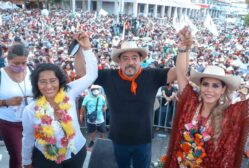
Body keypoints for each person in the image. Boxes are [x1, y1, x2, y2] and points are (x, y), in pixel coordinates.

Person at [163, 27, 249, 168]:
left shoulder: (230, 113)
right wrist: (183, 48)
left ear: (223, 89)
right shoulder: (190, 103)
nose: (209, 90)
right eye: (206, 84)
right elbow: (180, 73)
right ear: (201, 86)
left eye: (216, 86)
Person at [76, 40, 178, 168]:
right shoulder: (108, 76)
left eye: (134, 58)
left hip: (144, 141)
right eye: (125, 58)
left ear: (141, 59)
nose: (130, 62)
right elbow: (82, 73)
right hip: (117, 141)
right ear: (119, 61)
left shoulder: (153, 75)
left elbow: (178, 72)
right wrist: (80, 48)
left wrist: (183, 50)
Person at [22, 32, 98, 168]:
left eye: (52, 80)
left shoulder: (69, 91)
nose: (49, 86)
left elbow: (92, 75)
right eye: (43, 82)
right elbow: (28, 138)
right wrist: (26, 162)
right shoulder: (30, 110)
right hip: (46, 158)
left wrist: (87, 49)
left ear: (60, 81)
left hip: (76, 152)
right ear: (36, 84)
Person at [0, 42, 33, 168]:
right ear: (8, 60)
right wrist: (6, 102)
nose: (20, 66)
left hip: (31, 121)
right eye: (16, 63)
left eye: (23, 63)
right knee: (17, 156)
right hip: (10, 123)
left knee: (32, 155)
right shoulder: (1, 74)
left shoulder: (31, 71)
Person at [79, 85, 107, 149]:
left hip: (100, 119)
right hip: (91, 119)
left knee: (101, 131)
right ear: (91, 90)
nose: (96, 90)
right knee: (92, 131)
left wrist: (104, 108)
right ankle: (92, 141)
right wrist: (81, 115)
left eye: (97, 89)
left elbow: (105, 105)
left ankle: (101, 142)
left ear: (99, 90)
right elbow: (83, 107)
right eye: (94, 89)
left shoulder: (102, 97)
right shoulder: (87, 97)